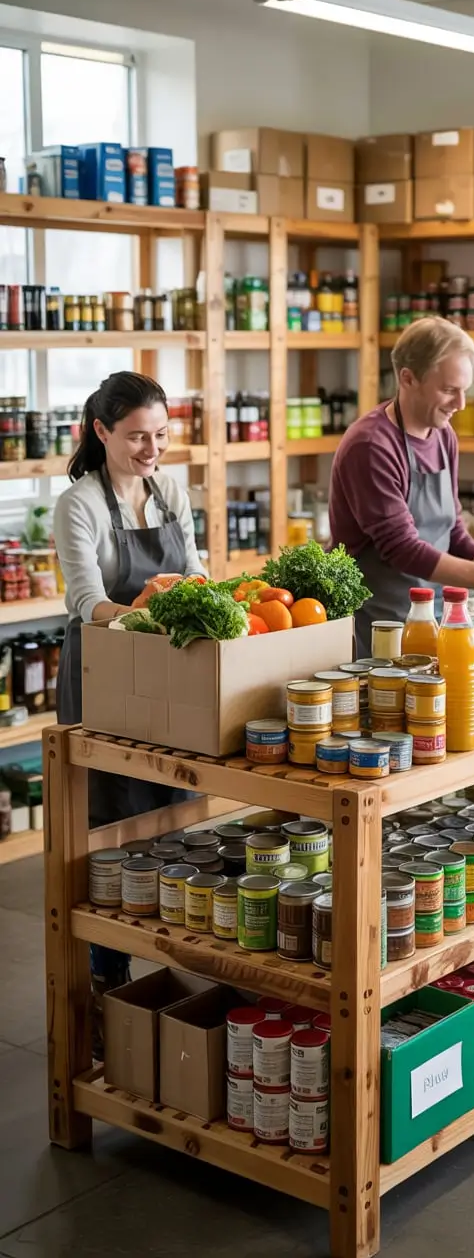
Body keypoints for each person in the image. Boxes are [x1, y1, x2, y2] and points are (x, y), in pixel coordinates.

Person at [54, 372, 205, 1038]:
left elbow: (196, 572)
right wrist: (146, 610)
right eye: (139, 436)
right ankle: (105, 978)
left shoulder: (168, 490)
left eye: (162, 436)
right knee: (109, 829)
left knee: (170, 818)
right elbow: (87, 603)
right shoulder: (78, 504)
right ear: (102, 432)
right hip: (103, 676)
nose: (152, 450)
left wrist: (200, 600)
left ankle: (167, 973)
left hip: (168, 674)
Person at [329, 317, 474, 655]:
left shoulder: (443, 435)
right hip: (381, 625)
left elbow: (453, 532)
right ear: (408, 378)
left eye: (465, 390)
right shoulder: (371, 446)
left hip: (436, 616)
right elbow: (402, 549)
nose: (461, 404)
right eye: (449, 390)